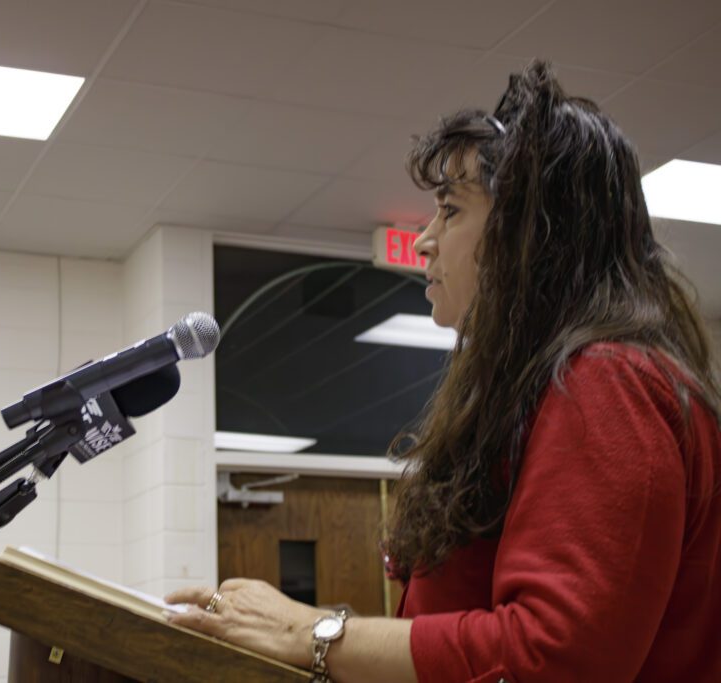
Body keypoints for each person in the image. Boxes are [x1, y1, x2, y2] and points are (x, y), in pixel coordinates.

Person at [165, 61, 721, 682]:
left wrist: (309, 632)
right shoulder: (551, 383)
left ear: (531, 232)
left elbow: (554, 655)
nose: (425, 238)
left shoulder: (607, 382)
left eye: (451, 210)